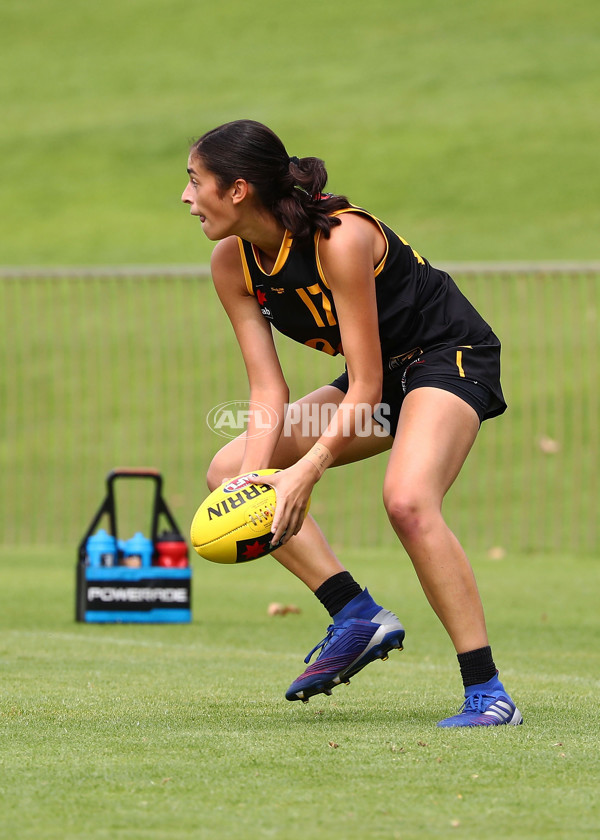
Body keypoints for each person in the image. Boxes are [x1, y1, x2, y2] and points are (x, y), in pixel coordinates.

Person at [181, 119, 522, 727]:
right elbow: (267, 387)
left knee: (408, 501)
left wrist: (307, 470)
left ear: (236, 190)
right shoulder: (230, 265)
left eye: (193, 180)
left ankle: (488, 691)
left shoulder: (341, 239)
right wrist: (258, 480)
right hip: (383, 376)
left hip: (447, 356)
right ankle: (355, 614)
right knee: (228, 469)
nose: (185, 197)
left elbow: (364, 385)